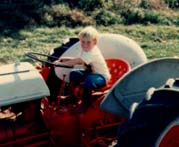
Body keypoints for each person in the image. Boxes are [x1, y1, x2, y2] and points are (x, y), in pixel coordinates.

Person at [54, 26, 111, 112]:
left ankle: (85, 102)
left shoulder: (92, 52)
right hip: (91, 73)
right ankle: (72, 96)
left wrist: (61, 64)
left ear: (95, 42)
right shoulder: (85, 50)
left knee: (89, 80)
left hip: (101, 77)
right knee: (74, 73)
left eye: (88, 42)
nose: (85, 45)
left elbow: (78, 61)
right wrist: (65, 59)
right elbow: (79, 60)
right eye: (83, 42)